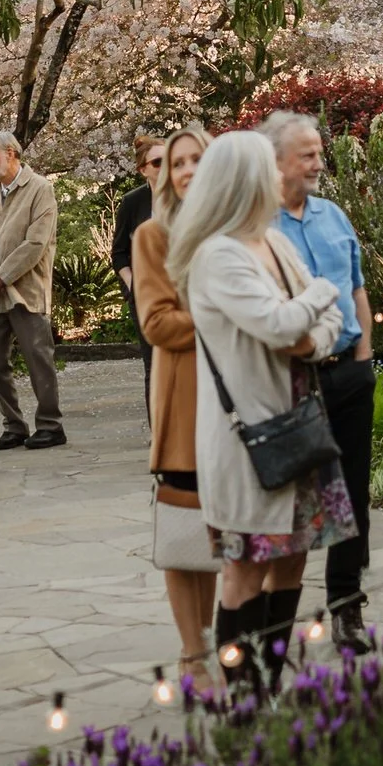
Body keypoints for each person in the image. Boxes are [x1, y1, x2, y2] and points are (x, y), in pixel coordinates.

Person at [167, 129, 349, 697]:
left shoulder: (272, 242)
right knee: (245, 565)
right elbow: (280, 323)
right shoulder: (218, 255)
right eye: (269, 168)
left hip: (302, 427)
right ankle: (243, 688)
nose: (280, 177)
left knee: (293, 555)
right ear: (247, 179)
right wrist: (320, 292)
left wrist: (309, 333)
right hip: (252, 440)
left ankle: (272, 672)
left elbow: (320, 330)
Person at [266, 112, 377, 656]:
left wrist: (365, 354)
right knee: (294, 502)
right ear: (278, 161)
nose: (317, 163)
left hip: (349, 376)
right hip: (293, 381)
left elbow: (356, 289)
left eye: (318, 152)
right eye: (306, 154)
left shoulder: (334, 216)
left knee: (352, 496)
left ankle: (346, 607)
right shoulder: (258, 228)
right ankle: (272, 625)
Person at [131, 122, 218, 684]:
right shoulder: (153, 236)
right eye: (176, 163)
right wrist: (228, 318)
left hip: (238, 397)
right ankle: (192, 653)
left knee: (218, 532)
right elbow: (158, 323)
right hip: (186, 396)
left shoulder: (237, 233)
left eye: (195, 161)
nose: (185, 171)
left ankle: (214, 641)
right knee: (184, 530)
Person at [0, 130, 63, 450]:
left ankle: (50, 425)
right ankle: (14, 425)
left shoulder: (40, 189)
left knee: (38, 359)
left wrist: (3, 275)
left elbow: (36, 243)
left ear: (11, 153)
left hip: (27, 290)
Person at [112, 131, 167, 409]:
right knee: (154, 363)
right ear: (143, 169)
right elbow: (119, 253)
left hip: (183, 291)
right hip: (146, 294)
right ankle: (159, 432)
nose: (166, 166)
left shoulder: (188, 196)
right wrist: (134, 285)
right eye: (158, 163)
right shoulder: (133, 202)